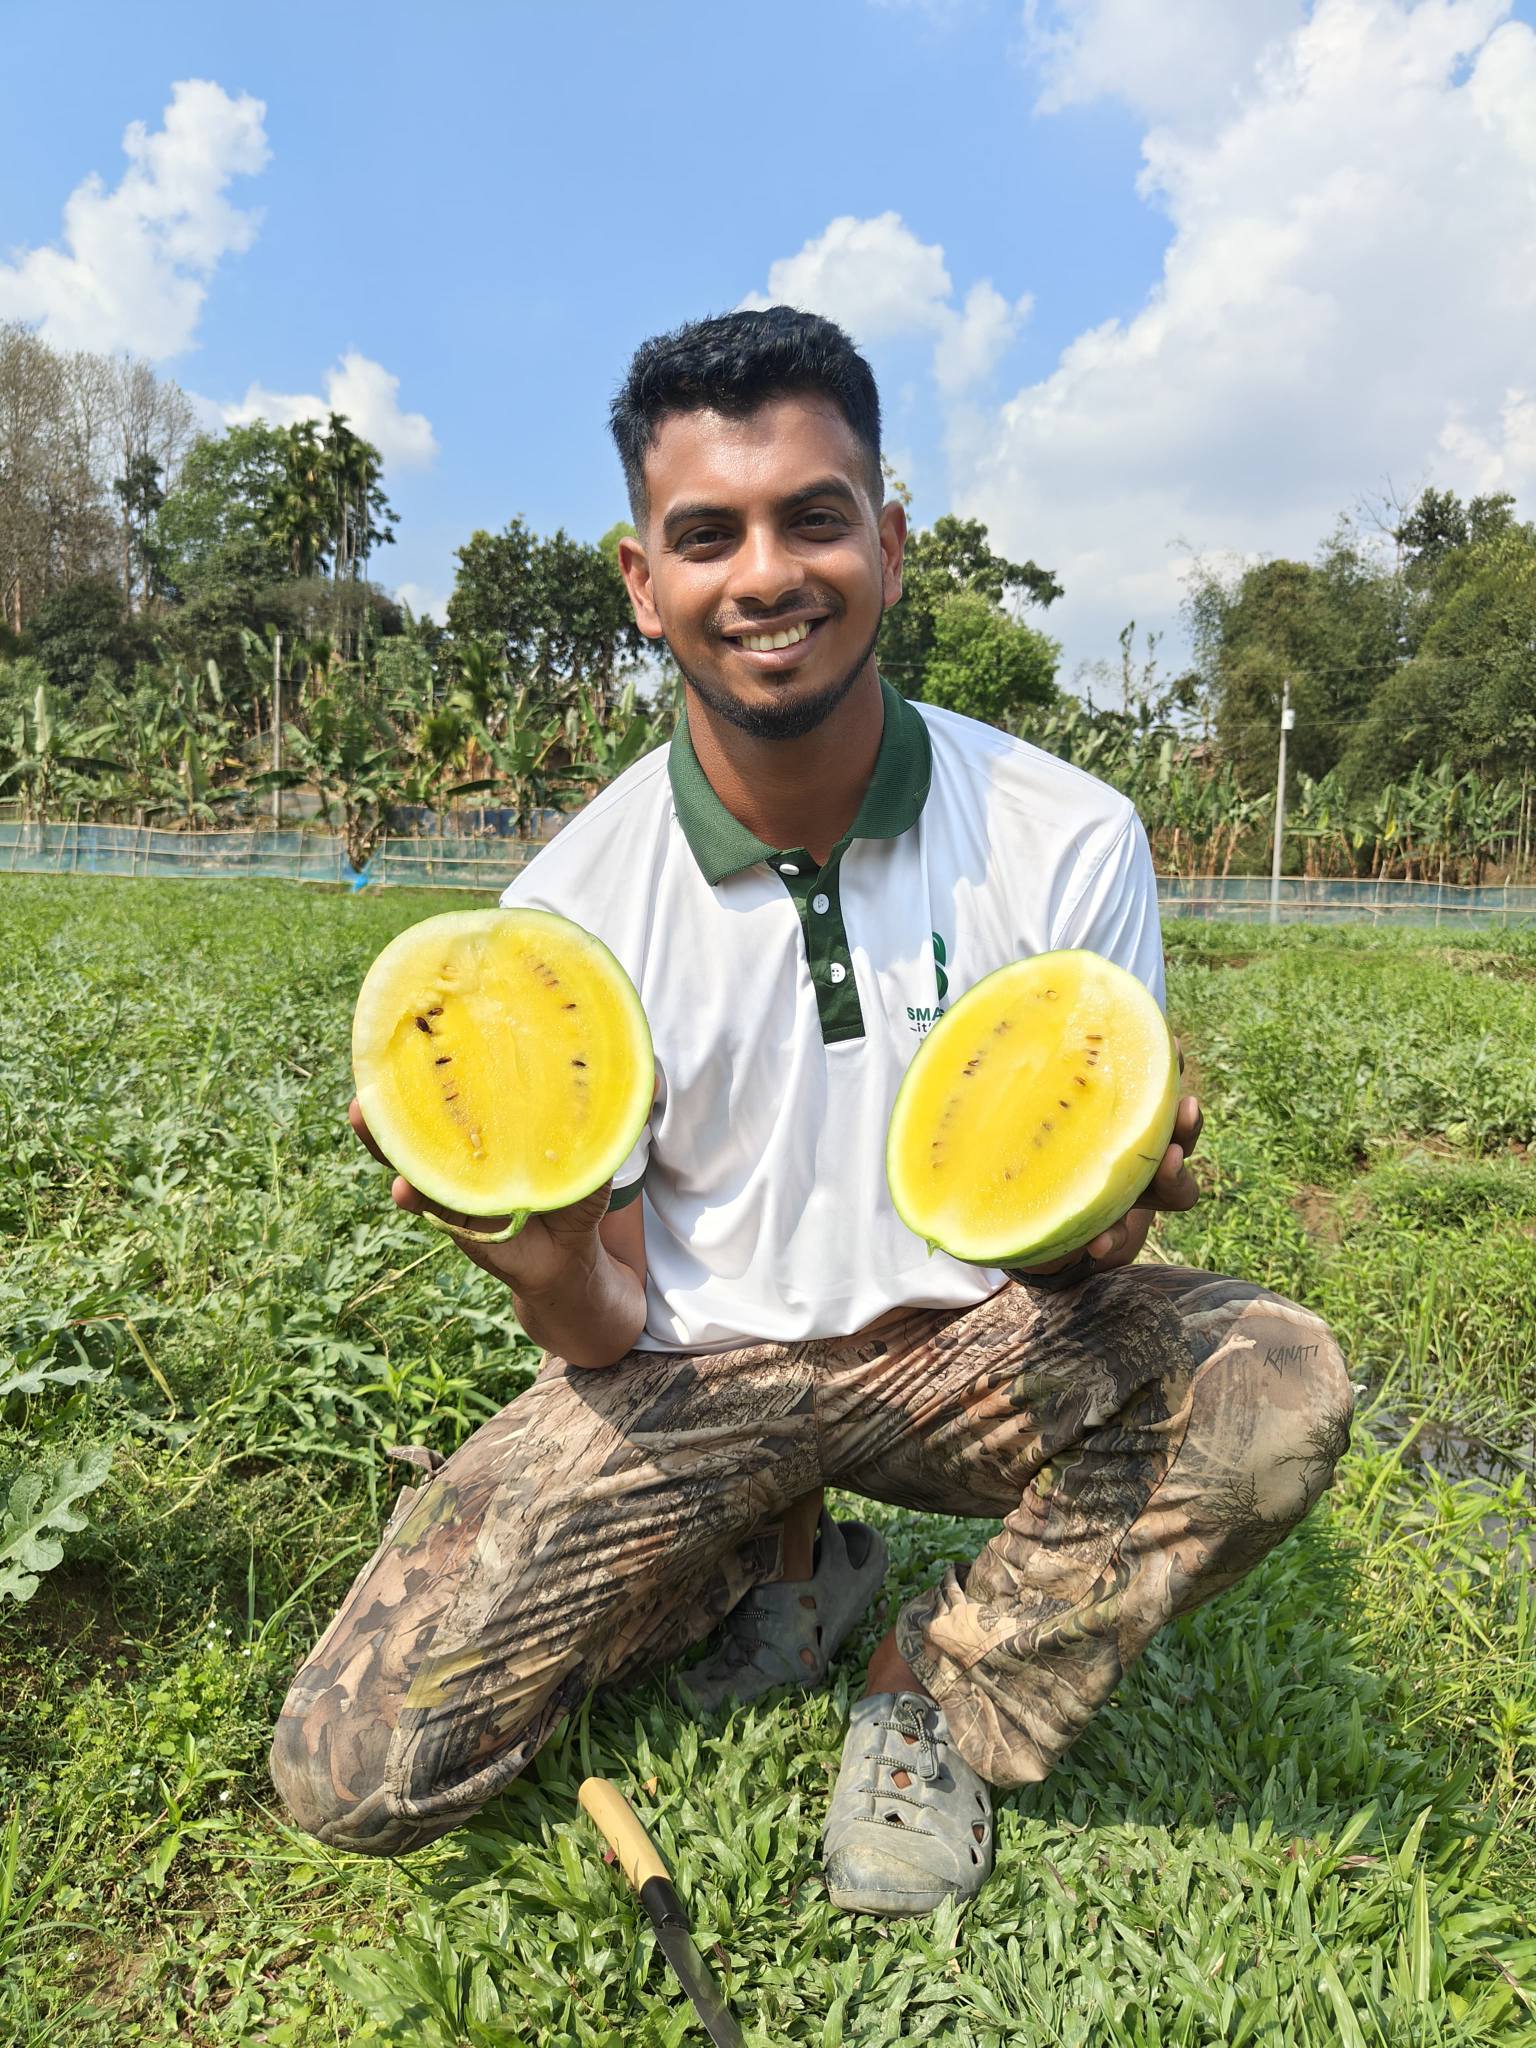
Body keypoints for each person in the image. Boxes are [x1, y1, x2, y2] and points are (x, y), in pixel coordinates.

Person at [270, 308, 1354, 1917]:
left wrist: (1098, 1230)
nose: (765, 574)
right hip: (694, 1376)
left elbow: (1063, 1241)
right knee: (353, 1772)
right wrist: (540, 1256)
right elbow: (606, 1322)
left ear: (890, 545)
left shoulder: (1065, 834)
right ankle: (771, 1555)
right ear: (644, 583)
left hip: (972, 1354)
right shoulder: (570, 908)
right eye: (708, 535)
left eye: (814, 517)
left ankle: (931, 1693)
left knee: (1277, 1384)